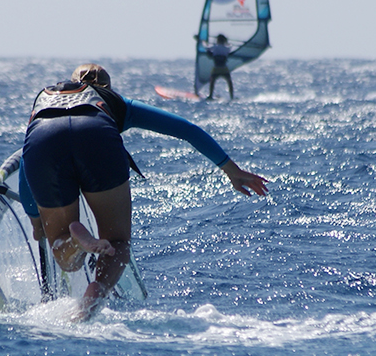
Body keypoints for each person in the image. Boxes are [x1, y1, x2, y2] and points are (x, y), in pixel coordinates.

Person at [20, 63, 268, 320]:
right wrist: (232, 170)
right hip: (96, 134)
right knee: (117, 243)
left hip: (44, 137)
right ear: (107, 87)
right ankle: (97, 291)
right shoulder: (116, 102)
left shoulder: (46, 99)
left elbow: (27, 160)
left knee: (63, 252)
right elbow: (187, 130)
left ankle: (75, 242)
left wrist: (35, 220)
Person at [205, 33, 235, 100]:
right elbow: (230, 50)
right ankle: (232, 97)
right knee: (229, 82)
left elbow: (208, 50)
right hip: (224, 68)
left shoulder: (215, 47)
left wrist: (201, 41)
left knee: (212, 82)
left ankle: (210, 96)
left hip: (216, 68)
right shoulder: (227, 48)